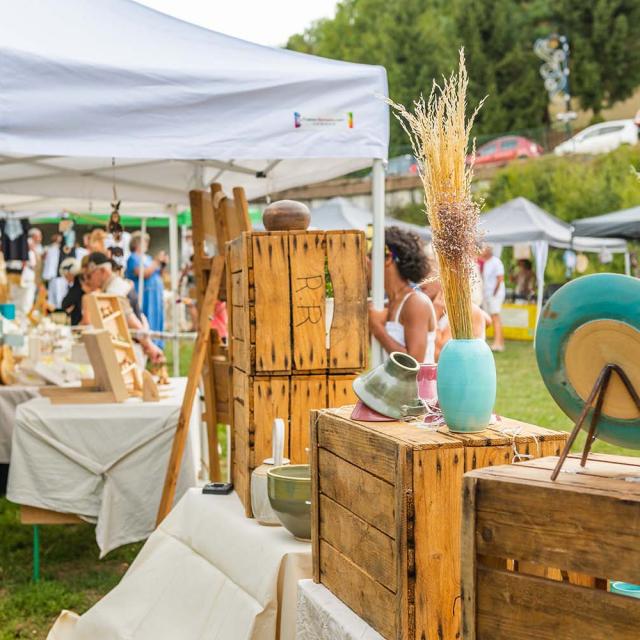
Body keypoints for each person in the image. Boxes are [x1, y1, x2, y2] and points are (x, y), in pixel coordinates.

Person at [367, 226, 437, 363]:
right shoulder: (385, 305)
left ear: (388, 259)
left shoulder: (416, 303)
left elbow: (413, 363)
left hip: (416, 385)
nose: (367, 262)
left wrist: (377, 329)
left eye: (370, 256)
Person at [85, 252, 164, 363]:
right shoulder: (120, 285)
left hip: (130, 351)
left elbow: (132, 321)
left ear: (102, 271)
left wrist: (150, 347)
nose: (89, 280)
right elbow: (140, 316)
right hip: (132, 348)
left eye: (90, 275)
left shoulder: (115, 291)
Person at [421, 280, 491, 361]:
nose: (420, 283)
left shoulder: (464, 311)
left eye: (427, 276)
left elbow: (440, 355)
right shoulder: (428, 306)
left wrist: (435, 314)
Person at [125, 232, 166, 348]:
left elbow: (157, 273)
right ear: (137, 243)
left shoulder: (147, 258)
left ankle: (157, 343)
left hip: (155, 294)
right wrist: (157, 261)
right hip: (144, 295)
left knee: (157, 316)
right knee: (146, 317)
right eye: (145, 241)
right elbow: (144, 273)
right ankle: (147, 344)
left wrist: (162, 265)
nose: (147, 244)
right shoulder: (133, 258)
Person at [481, 244, 506, 352]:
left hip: (495, 294)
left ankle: (498, 343)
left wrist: (494, 293)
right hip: (488, 294)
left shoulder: (496, 262)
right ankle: (499, 342)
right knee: (494, 317)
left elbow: (500, 278)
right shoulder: (486, 262)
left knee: (495, 317)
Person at [58, 257, 84, 325]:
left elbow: (65, 304)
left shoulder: (78, 284)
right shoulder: (79, 282)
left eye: (66, 276)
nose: (66, 279)